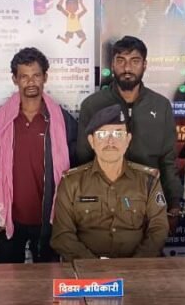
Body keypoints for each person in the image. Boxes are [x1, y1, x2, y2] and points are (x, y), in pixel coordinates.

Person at [78, 36, 183, 237]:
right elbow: (83, 160)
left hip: (148, 206)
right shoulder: (92, 105)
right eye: (121, 61)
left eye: (135, 61)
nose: (127, 68)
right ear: (112, 64)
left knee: (147, 256)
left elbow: (168, 161)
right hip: (103, 207)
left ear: (145, 65)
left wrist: (174, 205)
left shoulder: (160, 106)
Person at [0, 47, 77, 264]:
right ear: (15, 79)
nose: (31, 82)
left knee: (48, 278)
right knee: (7, 279)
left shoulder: (63, 121)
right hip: (9, 216)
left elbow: (74, 169)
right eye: (24, 76)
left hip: (50, 218)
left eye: (36, 75)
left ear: (45, 77)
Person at [52, 104, 169, 260]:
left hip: (137, 269)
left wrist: (134, 266)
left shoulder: (148, 181)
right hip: (86, 270)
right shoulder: (71, 182)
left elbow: (158, 230)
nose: (110, 141)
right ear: (91, 141)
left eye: (118, 134)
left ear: (128, 140)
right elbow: (62, 235)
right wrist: (94, 266)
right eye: (102, 134)